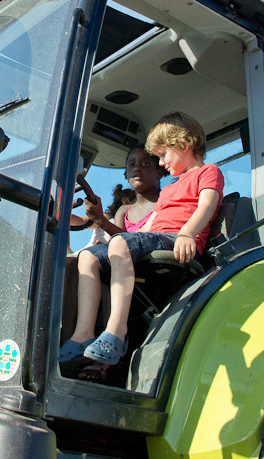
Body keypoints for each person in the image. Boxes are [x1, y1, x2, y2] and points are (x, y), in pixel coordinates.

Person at [60, 113, 223, 367]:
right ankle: (83, 334)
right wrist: (124, 240)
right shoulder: (169, 189)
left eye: (162, 155)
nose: (161, 162)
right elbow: (150, 224)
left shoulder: (208, 172)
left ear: (183, 145)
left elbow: (207, 205)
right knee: (88, 256)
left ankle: (116, 331)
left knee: (120, 243)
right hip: (155, 237)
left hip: (175, 240)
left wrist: (187, 233)